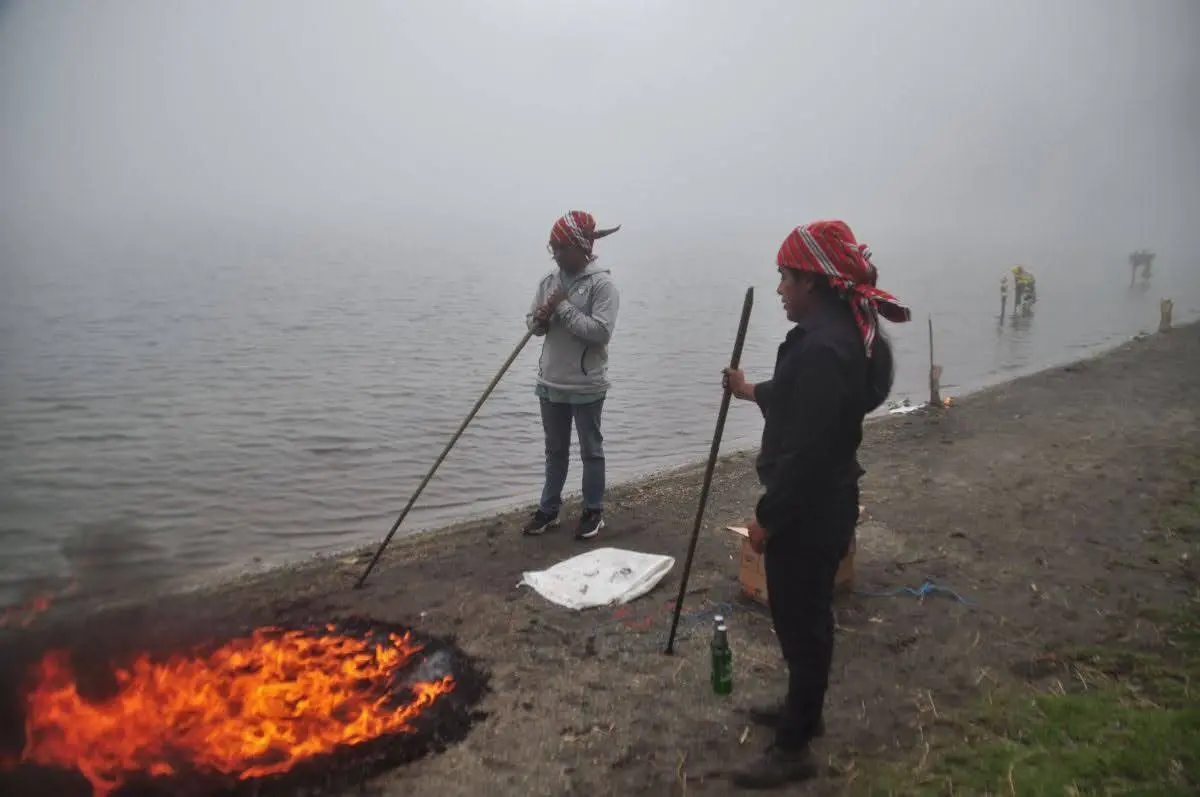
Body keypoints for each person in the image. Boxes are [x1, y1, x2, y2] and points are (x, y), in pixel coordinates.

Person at [722, 220, 910, 788]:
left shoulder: (826, 347)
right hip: (822, 499)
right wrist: (748, 389)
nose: (778, 288)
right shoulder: (835, 334)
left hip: (811, 505)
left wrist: (766, 519)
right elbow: (797, 398)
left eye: (784, 277)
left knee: (803, 622)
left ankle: (794, 747)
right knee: (799, 618)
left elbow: (807, 450)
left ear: (811, 280)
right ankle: (803, 710)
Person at [522, 211, 621, 540]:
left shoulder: (602, 285)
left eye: (562, 247)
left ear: (582, 247)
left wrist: (563, 308)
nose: (557, 255)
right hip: (549, 382)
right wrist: (538, 320)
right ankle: (548, 510)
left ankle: (593, 512)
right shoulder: (548, 282)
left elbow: (600, 333)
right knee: (555, 450)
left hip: (586, 384)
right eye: (553, 248)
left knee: (591, 449)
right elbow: (535, 328)